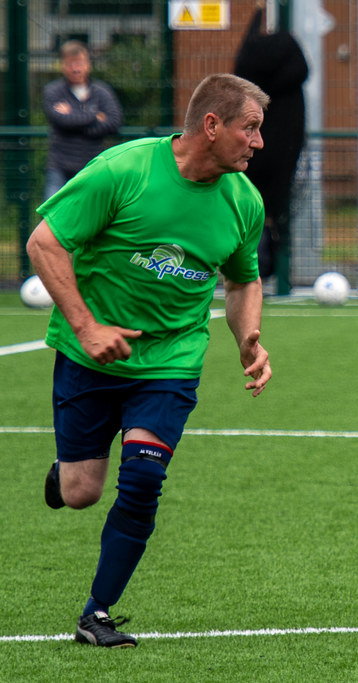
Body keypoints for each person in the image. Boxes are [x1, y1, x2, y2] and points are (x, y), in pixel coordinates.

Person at [26, 73, 272, 648]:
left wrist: (248, 337)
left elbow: (241, 281)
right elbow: (44, 242)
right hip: (89, 357)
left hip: (171, 362)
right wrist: (87, 328)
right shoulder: (124, 170)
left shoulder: (244, 201)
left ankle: (97, 612)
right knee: (83, 490)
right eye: (250, 128)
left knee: (141, 476)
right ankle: (64, 477)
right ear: (211, 126)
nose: (259, 142)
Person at [233, 7, 308, 283]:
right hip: (284, 153)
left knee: (247, 202)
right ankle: (267, 264)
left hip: (256, 165)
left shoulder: (248, 76)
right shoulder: (292, 70)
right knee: (273, 206)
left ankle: (252, 264)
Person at [42, 40, 123, 200]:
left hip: (93, 167)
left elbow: (114, 122)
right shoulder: (52, 91)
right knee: (50, 216)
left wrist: (73, 117)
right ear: (62, 66)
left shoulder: (102, 92)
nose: (75, 68)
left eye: (79, 63)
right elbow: (60, 120)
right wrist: (95, 116)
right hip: (60, 168)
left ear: (88, 64)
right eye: (70, 64)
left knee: (95, 216)